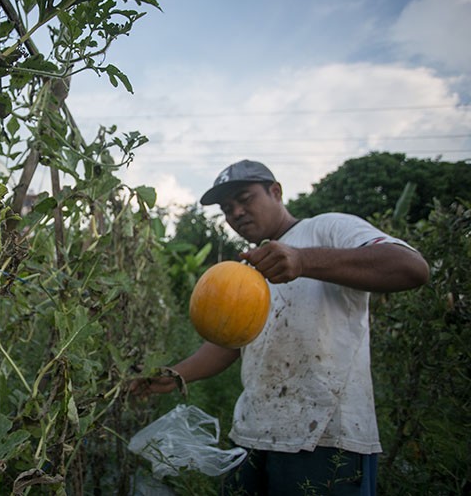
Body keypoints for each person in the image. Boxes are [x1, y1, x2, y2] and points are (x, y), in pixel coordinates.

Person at [132, 160, 430, 495]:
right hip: (253, 434)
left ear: (276, 192)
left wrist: (304, 261)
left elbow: (411, 267)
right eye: (228, 209)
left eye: (245, 199)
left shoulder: (328, 229)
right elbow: (232, 341)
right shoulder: (249, 265)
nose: (237, 213)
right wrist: (176, 374)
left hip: (326, 440)